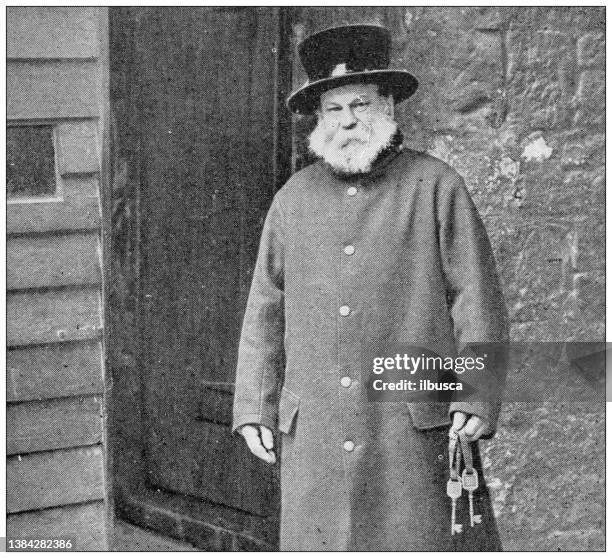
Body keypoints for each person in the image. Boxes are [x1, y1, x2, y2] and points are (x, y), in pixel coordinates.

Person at [232, 24, 508, 551]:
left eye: (360, 104)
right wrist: (252, 407)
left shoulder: (436, 186)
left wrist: (478, 393)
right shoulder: (293, 200)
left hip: (407, 429)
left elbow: (479, 302)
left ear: (388, 107)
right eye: (334, 109)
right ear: (319, 118)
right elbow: (264, 311)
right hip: (315, 432)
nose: (349, 121)